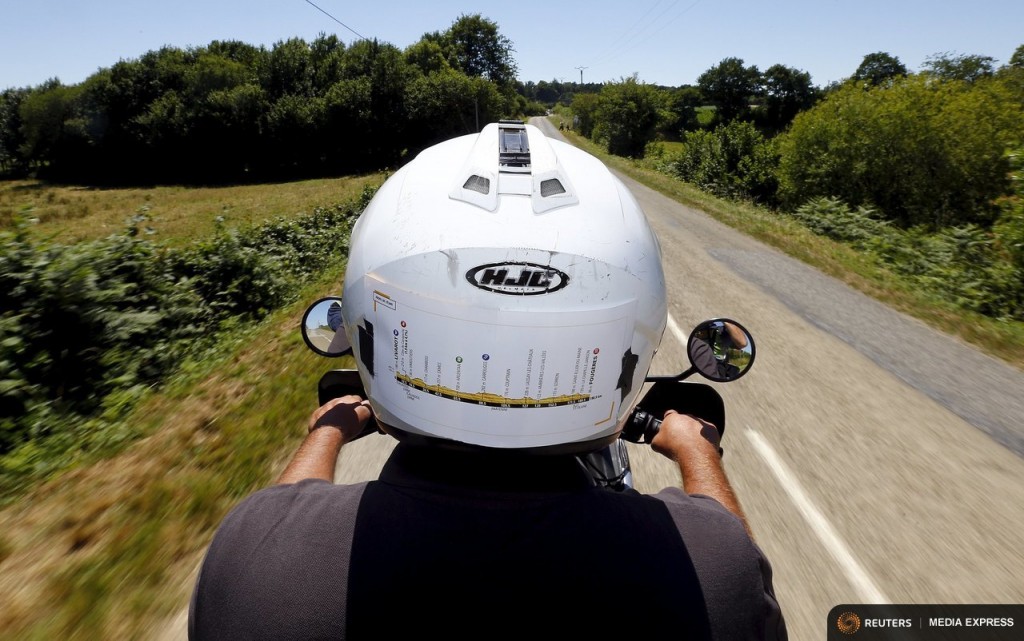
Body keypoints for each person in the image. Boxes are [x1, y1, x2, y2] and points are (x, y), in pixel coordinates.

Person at [189, 122, 786, 640]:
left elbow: (284, 511)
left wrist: (324, 436)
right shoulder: (712, 574)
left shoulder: (251, 558)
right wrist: (697, 451)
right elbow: (732, 547)